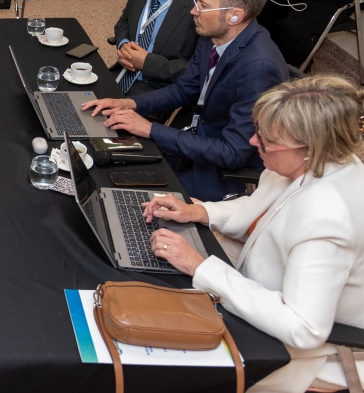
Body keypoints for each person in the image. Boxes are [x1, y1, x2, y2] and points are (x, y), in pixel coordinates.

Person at [142, 75, 364, 393]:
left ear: (308, 148)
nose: (252, 141)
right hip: (256, 283)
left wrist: (199, 266)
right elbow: (266, 207)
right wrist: (200, 211)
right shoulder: (317, 161)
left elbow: (303, 327)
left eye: (266, 139)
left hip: (299, 351)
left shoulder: (327, 215)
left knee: (163, 355)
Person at [83, 0, 289, 201]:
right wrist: (129, 104)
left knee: (125, 194)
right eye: (196, 1)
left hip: (218, 169)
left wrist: (150, 129)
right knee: (103, 161)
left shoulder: (258, 68)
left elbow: (232, 153)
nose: (193, 11)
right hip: (192, 139)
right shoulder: (213, 33)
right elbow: (185, 89)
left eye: (203, 5)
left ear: (235, 15)